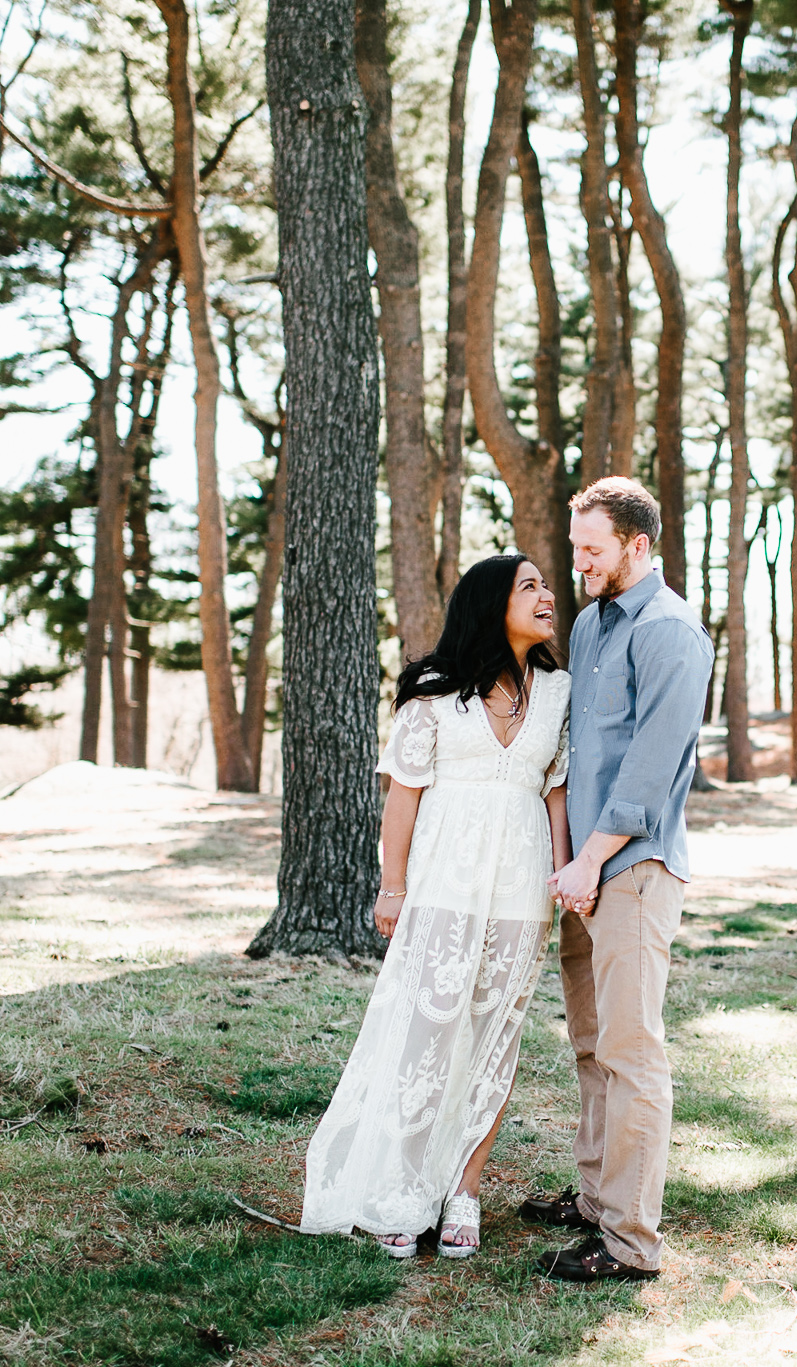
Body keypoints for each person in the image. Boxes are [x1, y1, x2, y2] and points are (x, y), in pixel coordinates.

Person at [299, 555, 573, 1259]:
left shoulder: (560, 691)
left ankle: (464, 1191)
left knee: (492, 1043)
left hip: (520, 893)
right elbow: (404, 794)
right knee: (423, 1040)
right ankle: (398, 1190)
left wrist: (564, 876)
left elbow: (556, 794)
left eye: (547, 585)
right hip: (442, 888)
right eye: (530, 586)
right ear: (490, 603)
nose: (547, 595)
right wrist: (392, 886)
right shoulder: (434, 692)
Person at [525, 477, 713, 1283]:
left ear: (637, 545)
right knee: (593, 1045)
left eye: (591, 548)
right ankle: (597, 1198)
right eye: (575, 547)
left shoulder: (672, 632)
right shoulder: (595, 624)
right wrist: (569, 865)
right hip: (583, 873)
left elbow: (648, 768)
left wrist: (591, 860)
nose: (578, 562)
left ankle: (630, 1242)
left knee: (633, 1051)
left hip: (630, 870)